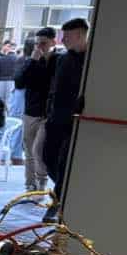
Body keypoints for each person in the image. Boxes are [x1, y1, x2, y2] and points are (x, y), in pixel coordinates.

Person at [42, 18, 89, 222]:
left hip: (73, 120)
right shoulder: (63, 59)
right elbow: (53, 86)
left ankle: (58, 201)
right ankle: (64, 190)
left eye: (67, 36)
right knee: (48, 157)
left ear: (79, 35)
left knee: (63, 162)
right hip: (55, 117)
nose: (63, 40)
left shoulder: (90, 61)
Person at [13, 28, 56, 194]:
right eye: (37, 44)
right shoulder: (30, 61)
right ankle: (30, 184)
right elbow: (19, 83)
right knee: (29, 150)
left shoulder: (58, 61)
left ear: (53, 42)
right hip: (31, 111)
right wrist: (32, 61)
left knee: (39, 149)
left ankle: (41, 182)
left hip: (47, 113)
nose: (39, 47)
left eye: (43, 43)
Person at [7, 39, 32, 118]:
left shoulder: (21, 59)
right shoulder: (27, 60)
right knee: (18, 114)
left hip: (18, 89)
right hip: (22, 89)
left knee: (15, 113)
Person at [0, 40, 18, 106]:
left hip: (1, 82)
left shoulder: (0, 59)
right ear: (15, 48)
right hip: (12, 83)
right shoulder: (18, 59)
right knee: (9, 103)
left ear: (9, 48)